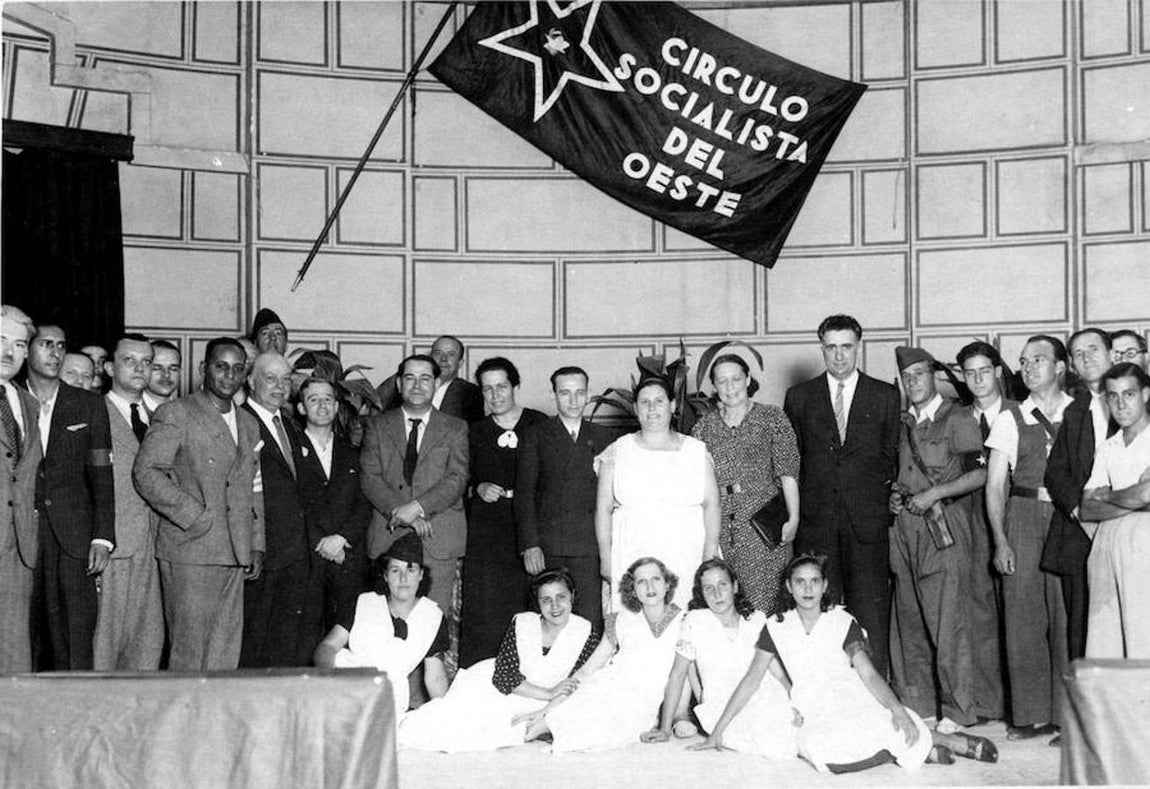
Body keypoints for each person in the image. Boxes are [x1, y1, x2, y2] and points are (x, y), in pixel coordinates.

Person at [702, 554, 995, 773]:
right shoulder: (776, 626)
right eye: (800, 582)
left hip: (849, 696)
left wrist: (895, 708)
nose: (807, 588)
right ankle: (914, 748)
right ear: (789, 587)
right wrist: (718, 732)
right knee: (817, 750)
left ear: (825, 585)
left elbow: (867, 674)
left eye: (814, 581)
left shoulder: (842, 621)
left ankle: (948, 741)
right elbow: (751, 680)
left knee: (893, 721)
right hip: (813, 707)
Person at [133, 337, 264, 671]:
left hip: (235, 551)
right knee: (189, 653)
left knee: (225, 651)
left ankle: (212, 721)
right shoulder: (178, 412)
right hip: (191, 550)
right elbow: (146, 472)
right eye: (221, 367)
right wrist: (193, 515)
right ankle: (184, 722)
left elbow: (254, 487)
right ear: (205, 369)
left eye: (237, 369)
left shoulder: (248, 423)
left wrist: (256, 543)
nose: (229, 376)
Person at [783, 315, 900, 677]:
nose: (839, 356)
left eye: (846, 346)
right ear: (822, 348)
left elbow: (890, 458)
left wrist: (875, 504)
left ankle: (874, 696)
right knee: (820, 610)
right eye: (831, 347)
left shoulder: (884, 395)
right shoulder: (799, 397)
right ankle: (823, 691)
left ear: (858, 347)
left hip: (867, 523)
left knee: (870, 613)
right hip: (817, 524)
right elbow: (792, 461)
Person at [887, 347, 990, 730]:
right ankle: (921, 706)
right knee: (909, 618)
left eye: (919, 373)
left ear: (933, 376)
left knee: (948, 620)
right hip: (904, 530)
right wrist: (895, 496)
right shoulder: (899, 423)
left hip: (942, 526)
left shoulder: (957, 417)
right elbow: (898, 472)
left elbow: (978, 473)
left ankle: (959, 709)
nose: (912, 381)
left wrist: (936, 493)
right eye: (906, 376)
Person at [399, 567, 601, 751]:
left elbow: (580, 683)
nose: (554, 606)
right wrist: (547, 693)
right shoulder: (522, 623)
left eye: (561, 597)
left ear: (572, 596)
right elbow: (504, 677)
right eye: (546, 600)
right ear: (537, 603)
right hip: (501, 687)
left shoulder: (584, 631)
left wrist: (548, 707)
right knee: (453, 722)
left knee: (498, 731)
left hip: (547, 701)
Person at [985, 334, 1073, 741]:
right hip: (1021, 514)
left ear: (1060, 367)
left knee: (1065, 615)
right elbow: (995, 485)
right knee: (1022, 617)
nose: (1029, 367)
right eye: (1023, 361)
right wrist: (1001, 540)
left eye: (1039, 359)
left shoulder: (1082, 412)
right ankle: (1029, 714)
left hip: (1066, 518)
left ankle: (1065, 716)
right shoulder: (1010, 417)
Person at [360, 354, 469, 670]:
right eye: (410, 377)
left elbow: (457, 478)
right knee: (386, 625)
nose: (417, 384)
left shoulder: (456, 427)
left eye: (425, 378)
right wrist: (400, 511)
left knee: (431, 628)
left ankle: (425, 710)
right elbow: (369, 476)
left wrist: (418, 508)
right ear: (398, 383)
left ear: (436, 384)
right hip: (388, 534)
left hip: (437, 538)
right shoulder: (378, 426)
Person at [521, 557, 685, 752]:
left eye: (656, 579)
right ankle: (548, 723)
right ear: (632, 589)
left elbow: (680, 676)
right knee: (589, 697)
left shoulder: (684, 621)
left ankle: (554, 728)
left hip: (641, 700)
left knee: (610, 729)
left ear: (667, 584)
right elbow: (587, 670)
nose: (649, 586)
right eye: (641, 581)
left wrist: (667, 726)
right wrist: (547, 708)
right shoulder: (621, 620)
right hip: (609, 684)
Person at [25, 323, 114, 670]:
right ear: (27, 350)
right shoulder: (12, 400)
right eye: (46, 344)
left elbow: (101, 475)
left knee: (76, 639)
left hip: (75, 539)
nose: (56, 352)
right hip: (23, 537)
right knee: (26, 637)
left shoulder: (87, 405)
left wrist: (102, 537)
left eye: (61, 345)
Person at [643, 559, 796, 759]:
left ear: (734, 586)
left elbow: (774, 668)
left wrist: (797, 698)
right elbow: (678, 674)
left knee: (796, 731)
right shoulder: (695, 621)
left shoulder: (757, 619)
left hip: (764, 695)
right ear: (701, 593)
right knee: (770, 743)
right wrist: (664, 728)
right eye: (708, 588)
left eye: (722, 585)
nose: (716, 594)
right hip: (720, 703)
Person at [596, 377, 720, 609]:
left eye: (659, 401)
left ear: (673, 406)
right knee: (636, 623)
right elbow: (603, 509)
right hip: (632, 550)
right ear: (635, 408)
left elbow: (712, 503)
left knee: (686, 618)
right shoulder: (617, 451)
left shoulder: (696, 450)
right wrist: (606, 558)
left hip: (687, 550)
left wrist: (710, 553)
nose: (652, 408)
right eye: (644, 402)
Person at [691, 354, 799, 614]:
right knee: (725, 602)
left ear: (748, 379)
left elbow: (788, 473)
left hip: (761, 523)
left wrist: (793, 518)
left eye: (736, 379)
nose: (730, 387)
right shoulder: (703, 427)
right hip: (719, 525)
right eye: (722, 381)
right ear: (714, 386)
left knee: (763, 601)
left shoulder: (772, 418)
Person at [459, 357, 547, 667]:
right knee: (486, 608)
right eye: (487, 389)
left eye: (502, 387)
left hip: (529, 530)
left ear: (515, 387)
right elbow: (460, 480)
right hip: (487, 532)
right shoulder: (474, 431)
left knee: (528, 605)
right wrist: (477, 488)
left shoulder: (539, 423)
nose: (495, 395)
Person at [515, 366, 613, 631]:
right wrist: (530, 544)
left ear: (588, 394)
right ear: (553, 395)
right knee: (549, 617)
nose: (573, 400)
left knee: (589, 618)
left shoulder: (605, 437)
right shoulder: (536, 434)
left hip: (589, 545)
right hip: (549, 546)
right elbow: (524, 494)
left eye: (579, 393)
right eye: (565, 393)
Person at [314, 530, 449, 720]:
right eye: (395, 570)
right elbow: (327, 647)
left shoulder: (432, 616)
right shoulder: (363, 603)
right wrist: (333, 680)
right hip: (346, 685)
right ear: (385, 575)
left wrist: (447, 715)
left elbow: (435, 677)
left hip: (391, 699)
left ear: (421, 575)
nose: (403, 579)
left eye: (410, 570)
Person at [1043, 328, 1115, 664]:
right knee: (1082, 630)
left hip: (1130, 531)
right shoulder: (1074, 411)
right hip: (1080, 533)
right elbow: (1055, 472)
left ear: (1112, 353)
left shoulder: (1141, 403)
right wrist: (1079, 511)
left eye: (1093, 349)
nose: (1085, 358)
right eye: (1077, 353)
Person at [93, 334, 164, 671]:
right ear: (109, 367)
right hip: (112, 547)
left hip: (154, 548)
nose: (140, 368)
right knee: (103, 649)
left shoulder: (163, 418)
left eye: (146, 361)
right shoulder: (93, 412)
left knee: (146, 650)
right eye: (129, 360)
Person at [240, 352, 311, 667]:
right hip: (261, 553)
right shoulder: (239, 421)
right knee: (253, 644)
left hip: (294, 554)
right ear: (251, 380)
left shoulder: (290, 424)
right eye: (271, 378)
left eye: (286, 379)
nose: (280, 387)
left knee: (286, 646)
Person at [955, 341, 1010, 720]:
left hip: (1015, 515)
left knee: (1020, 611)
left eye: (984, 371)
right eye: (969, 373)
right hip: (970, 520)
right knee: (979, 611)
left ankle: (1024, 701)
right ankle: (990, 702)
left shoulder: (1022, 414)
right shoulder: (957, 419)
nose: (977, 379)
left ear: (999, 372)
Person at [1079, 363, 1150, 657]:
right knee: (1106, 639)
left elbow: (1147, 494)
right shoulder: (1108, 447)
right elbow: (1086, 508)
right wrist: (1134, 496)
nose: (1120, 404)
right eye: (1113, 396)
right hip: (1106, 547)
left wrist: (1108, 496)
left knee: (1142, 635)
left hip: (1144, 547)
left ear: (1145, 394)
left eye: (1129, 394)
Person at [295, 377, 371, 645]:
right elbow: (291, 506)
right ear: (301, 408)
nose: (322, 405)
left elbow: (365, 502)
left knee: (346, 641)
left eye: (328, 399)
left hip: (346, 559)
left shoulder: (353, 452)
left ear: (337, 406)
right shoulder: (290, 451)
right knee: (304, 641)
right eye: (313, 399)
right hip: (306, 560)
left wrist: (342, 539)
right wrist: (321, 542)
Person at [0, 305, 43, 674]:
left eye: (18, 344)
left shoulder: (27, 404)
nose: (7, 353)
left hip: (18, 549)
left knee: (14, 657)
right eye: (0, 340)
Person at [377, 335, 484, 423]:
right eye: (438, 353)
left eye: (451, 354)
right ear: (430, 357)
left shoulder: (470, 393)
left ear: (460, 363)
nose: (443, 359)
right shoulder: (406, 384)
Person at [144, 339, 181, 412]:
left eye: (173, 369)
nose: (166, 375)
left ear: (180, 373)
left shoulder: (188, 411)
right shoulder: (127, 412)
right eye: (157, 368)